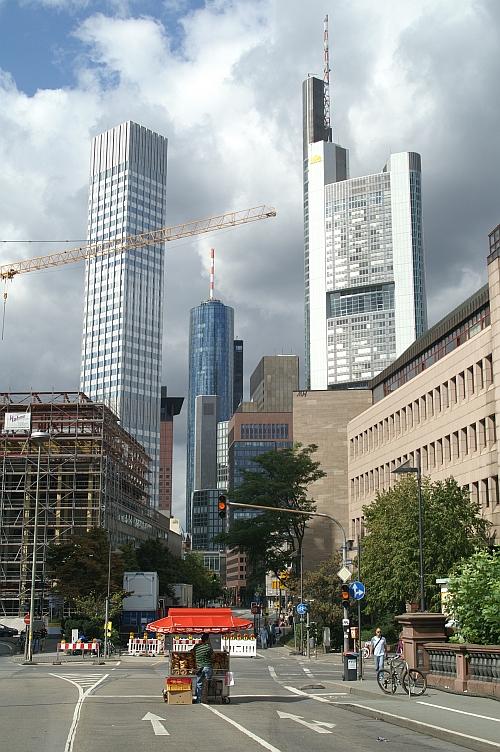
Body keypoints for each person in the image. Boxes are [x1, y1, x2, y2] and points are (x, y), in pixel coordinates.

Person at [194, 634, 213, 703]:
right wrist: (210, 644)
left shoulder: (197, 647)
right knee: (207, 684)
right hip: (207, 667)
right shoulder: (208, 648)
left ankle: (199, 699)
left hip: (199, 667)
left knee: (199, 683)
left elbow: (192, 651)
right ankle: (205, 699)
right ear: (207, 639)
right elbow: (213, 656)